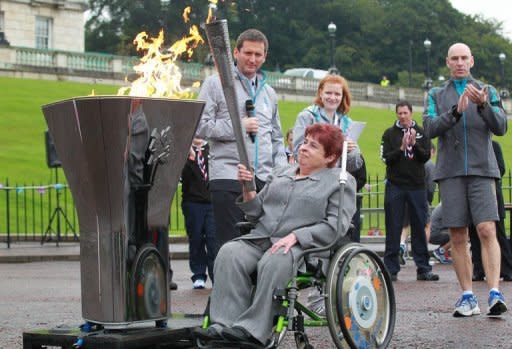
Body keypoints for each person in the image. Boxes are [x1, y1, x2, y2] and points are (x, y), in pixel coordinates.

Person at [193, 124, 357, 346]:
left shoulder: (340, 181)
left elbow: (336, 226)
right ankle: (223, 325)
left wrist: (297, 235)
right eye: (305, 142)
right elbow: (257, 212)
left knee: (275, 257)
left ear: (330, 156)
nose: (303, 148)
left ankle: (253, 331)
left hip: (304, 249)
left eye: (313, 146)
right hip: (261, 238)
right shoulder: (282, 172)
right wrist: (247, 188)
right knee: (229, 253)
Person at [423, 42, 508, 317]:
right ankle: (467, 295)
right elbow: (429, 128)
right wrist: (456, 112)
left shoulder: (488, 91)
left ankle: (494, 292)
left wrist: (483, 105)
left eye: (464, 58)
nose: (459, 63)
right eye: (454, 59)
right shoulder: (436, 94)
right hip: (450, 171)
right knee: (457, 233)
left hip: (483, 168)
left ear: (472, 60)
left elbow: (501, 126)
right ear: (447, 62)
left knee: (486, 229)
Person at [196, 28, 287, 247]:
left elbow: (277, 138)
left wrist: (281, 173)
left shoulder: (269, 94)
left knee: (262, 244)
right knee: (230, 245)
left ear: (265, 57)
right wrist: (237, 126)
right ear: (235, 53)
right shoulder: (215, 84)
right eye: (248, 53)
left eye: (258, 54)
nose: (252, 59)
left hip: (264, 180)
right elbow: (199, 126)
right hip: (228, 176)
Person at [381, 100, 438, 282]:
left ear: (411, 113)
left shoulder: (422, 132)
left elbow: (425, 157)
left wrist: (414, 145)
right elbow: (386, 159)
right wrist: (401, 148)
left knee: (419, 226)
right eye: (400, 113)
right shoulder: (389, 134)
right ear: (396, 114)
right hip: (396, 184)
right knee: (393, 225)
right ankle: (391, 268)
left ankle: (423, 268)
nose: (403, 116)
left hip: (416, 185)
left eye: (405, 113)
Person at [469, 141, 512, 282]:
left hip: (492, 192)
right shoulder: (468, 148)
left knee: (499, 234)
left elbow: (501, 168)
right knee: (474, 233)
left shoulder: (493, 145)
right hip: (472, 193)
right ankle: (478, 270)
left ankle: (507, 269)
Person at [180, 138, 218, 289]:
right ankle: (198, 274)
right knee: (195, 238)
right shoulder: (185, 151)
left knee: (213, 239)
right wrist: (190, 158)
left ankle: (216, 274)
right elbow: (184, 178)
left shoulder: (213, 149)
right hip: (193, 202)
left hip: (211, 202)